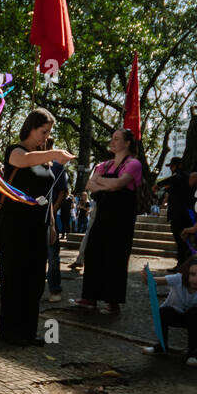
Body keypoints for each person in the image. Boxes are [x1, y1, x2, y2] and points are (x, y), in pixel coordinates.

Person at [0, 109, 74, 344]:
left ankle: (27, 332)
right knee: (14, 279)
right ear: (30, 128)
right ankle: (10, 333)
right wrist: (54, 153)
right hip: (14, 226)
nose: (46, 136)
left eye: (49, 132)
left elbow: (49, 194)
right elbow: (23, 160)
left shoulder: (44, 157)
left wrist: (51, 223)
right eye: (44, 131)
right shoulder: (16, 151)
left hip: (37, 226)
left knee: (33, 282)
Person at [74, 127, 141, 316]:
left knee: (116, 257)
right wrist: (108, 184)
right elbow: (89, 185)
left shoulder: (134, 164)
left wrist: (102, 183)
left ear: (127, 143)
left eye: (117, 139)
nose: (112, 142)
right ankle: (90, 297)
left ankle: (112, 302)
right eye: (112, 138)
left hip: (121, 220)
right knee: (94, 252)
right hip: (102, 216)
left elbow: (118, 184)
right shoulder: (104, 165)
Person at [141, 255, 197, 365]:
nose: (196, 280)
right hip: (173, 315)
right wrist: (146, 276)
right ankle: (161, 346)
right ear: (187, 273)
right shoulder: (178, 279)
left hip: (192, 319)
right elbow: (152, 281)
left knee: (196, 314)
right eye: (192, 274)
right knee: (163, 311)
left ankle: (192, 353)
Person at [155, 156, 195, 263]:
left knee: (181, 239)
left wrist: (159, 184)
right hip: (178, 212)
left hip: (181, 213)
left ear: (179, 166)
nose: (171, 168)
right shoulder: (177, 178)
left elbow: (174, 179)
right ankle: (181, 263)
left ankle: (184, 262)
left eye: (172, 166)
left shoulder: (182, 176)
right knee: (180, 239)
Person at [45, 138, 70, 303]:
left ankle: (55, 289)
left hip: (49, 215)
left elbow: (63, 192)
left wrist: (53, 210)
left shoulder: (58, 167)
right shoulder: (31, 161)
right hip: (33, 214)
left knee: (52, 254)